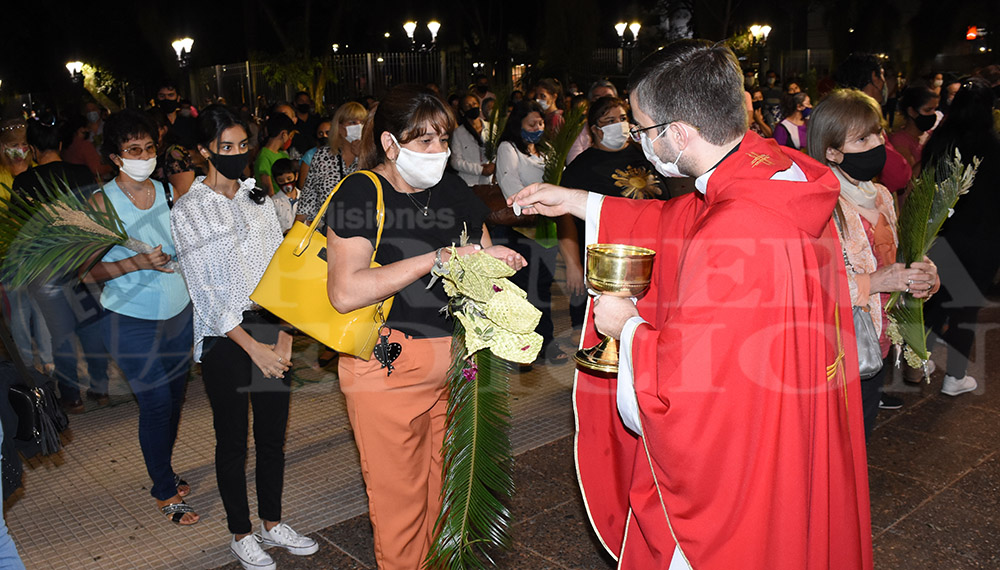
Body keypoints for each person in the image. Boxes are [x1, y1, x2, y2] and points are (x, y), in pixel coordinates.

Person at [511, 39, 873, 569]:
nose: (636, 139)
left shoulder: (736, 229)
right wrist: (579, 202)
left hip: (740, 467)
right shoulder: (770, 171)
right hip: (793, 407)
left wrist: (627, 326)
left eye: (640, 128)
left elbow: (686, 391)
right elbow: (683, 220)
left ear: (677, 133)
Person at [324, 84, 524, 570]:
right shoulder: (359, 192)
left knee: (447, 493)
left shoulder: (453, 189)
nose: (438, 152)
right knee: (400, 506)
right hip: (387, 365)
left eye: (443, 139)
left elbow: (479, 260)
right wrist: (435, 258)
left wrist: (496, 269)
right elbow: (345, 291)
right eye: (424, 142)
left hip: (455, 362)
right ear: (390, 144)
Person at [171, 105, 319, 570]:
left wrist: (285, 339)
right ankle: (241, 532)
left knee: (273, 435)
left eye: (242, 146)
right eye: (226, 147)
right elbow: (206, 291)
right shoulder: (189, 209)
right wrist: (254, 347)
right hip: (226, 338)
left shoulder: (259, 199)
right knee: (233, 439)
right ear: (204, 150)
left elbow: (283, 273)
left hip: (270, 329)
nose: (236, 154)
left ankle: (273, 524)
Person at [80, 109, 197, 526]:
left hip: (179, 311)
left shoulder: (168, 191)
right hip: (128, 317)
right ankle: (165, 491)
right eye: (133, 149)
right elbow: (84, 272)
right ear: (115, 157)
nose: (143, 156)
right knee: (155, 402)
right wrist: (136, 263)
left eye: (149, 148)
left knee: (175, 399)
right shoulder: (101, 204)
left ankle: (162, 472)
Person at [807, 89, 939, 434]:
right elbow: (807, 289)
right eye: (862, 139)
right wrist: (877, 282)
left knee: (861, 434)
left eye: (877, 132)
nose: (877, 144)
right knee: (834, 443)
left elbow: (894, 257)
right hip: (835, 351)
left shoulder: (880, 194)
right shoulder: (818, 206)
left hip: (876, 346)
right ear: (832, 152)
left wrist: (923, 273)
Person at [13, 116, 108, 412]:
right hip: (83, 261)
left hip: (46, 268)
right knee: (91, 325)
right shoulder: (81, 173)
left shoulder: (25, 181)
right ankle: (100, 387)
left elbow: (19, 228)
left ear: (31, 148)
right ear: (62, 144)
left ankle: (71, 395)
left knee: (61, 332)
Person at [921, 77, 1000, 397]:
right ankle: (955, 376)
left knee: (936, 299)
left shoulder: (938, 142)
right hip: (982, 241)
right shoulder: (993, 148)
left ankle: (919, 358)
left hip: (942, 234)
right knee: (964, 307)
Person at [560, 95, 665, 329]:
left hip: (652, 252)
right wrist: (573, 265)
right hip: (607, 263)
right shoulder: (581, 168)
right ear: (595, 129)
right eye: (610, 120)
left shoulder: (647, 156)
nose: (620, 124)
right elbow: (565, 221)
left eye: (623, 118)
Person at [495, 101, 567, 364]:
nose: (538, 128)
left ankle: (542, 342)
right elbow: (510, 186)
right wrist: (541, 198)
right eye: (531, 124)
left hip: (546, 227)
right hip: (519, 228)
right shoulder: (508, 148)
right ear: (518, 125)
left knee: (543, 287)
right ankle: (531, 344)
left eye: (540, 123)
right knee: (526, 288)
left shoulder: (546, 150)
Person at [834, 53, 911, 194]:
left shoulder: (835, 111)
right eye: (883, 75)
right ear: (875, 77)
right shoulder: (864, 118)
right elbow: (897, 174)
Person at [297, 101, 366, 224]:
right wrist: (297, 231)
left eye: (362, 122)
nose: (359, 126)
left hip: (360, 228)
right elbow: (308, 196)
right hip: (325, 230)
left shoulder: (372, 157)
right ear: (339, 127)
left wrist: (363, 156)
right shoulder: (323, 156)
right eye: (353, 123)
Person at [889, 86, 939, 178]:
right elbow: (910, 176)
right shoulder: (899, 140)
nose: (933, 114)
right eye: (928, 110)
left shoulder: (930, 134)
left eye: (934, 109)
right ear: (911, 111)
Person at [567, 79, 618, 164]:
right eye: (598, 99)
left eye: (608, 98)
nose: (604, 103)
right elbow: (574, 165)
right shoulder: (579, 132)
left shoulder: (629, 131)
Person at [449, 94, 494, 186]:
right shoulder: (458, 133)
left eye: (474, 104)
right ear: (462, 111)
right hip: (469, 182)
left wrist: (493, 166)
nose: (472, 107)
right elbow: (455, 161)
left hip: (490, 181)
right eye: (467, 106)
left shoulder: (492, 128)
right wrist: (480, 170)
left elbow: (499, 152)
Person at [254, 114, 294, 196]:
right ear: (284, 134)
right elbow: (268, 189)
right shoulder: (264, 156)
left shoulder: (283, 154)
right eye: (290, 135)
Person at [295, 117, 332, 188]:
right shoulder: (310, 155)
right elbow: (302, 185)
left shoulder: (342, 152)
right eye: (320, 133)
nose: (324, 136)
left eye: (328, 133)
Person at [268, 158, 298, 233]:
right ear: (275, 181)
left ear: (296, 176)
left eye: (289, 178)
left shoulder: (306, 197)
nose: (286, 183)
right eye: (281, 181)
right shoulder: (273, 202)